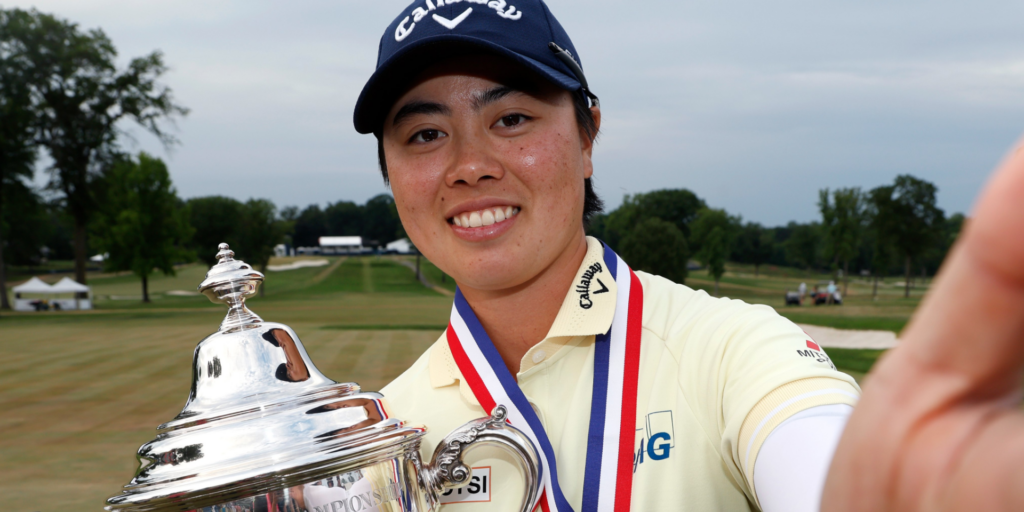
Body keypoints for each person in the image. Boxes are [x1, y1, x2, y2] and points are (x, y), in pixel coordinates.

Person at [354, 1, 1024, 511]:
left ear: (588, 135)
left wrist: (869, 487)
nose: (469, 165)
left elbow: (812, 452)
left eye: (511, 120)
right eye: (426, 133)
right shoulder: (383, 437)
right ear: (388, 172)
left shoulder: (734, 348)